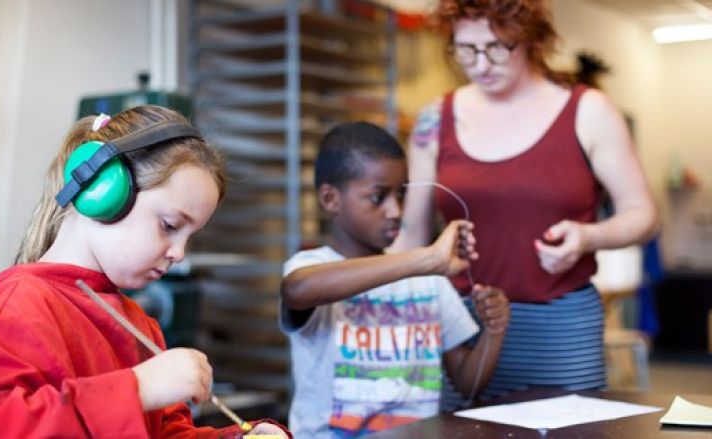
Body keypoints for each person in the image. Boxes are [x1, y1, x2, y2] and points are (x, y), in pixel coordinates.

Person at [0, 106, 290, 438]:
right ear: (101, 190)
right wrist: (138, 388)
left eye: (189, 237)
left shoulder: (140, 326)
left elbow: (162, 432)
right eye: (169, 225)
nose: (179, 254)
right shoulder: (16, 309)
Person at [391, 0, 658, 404]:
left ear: (531, 39)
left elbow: (642, 214)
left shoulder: (588, 110)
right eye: (466, 49)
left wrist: (587, 237)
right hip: (464, 329)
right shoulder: (435, 119)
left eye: (498, 47)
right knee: (461, 430)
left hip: (560, 328)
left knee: (571, 429)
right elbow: (411, 236)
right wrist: (354, 288)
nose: (481, 64)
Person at [279, 121, 509, 438]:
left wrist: (494, 332)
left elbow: (467, 383)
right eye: (379, 197)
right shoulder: (313, 266)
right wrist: (425, 259)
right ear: (331, 199)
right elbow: (297, 289)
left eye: (401, 195)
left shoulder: (428, 281)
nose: (395, 211)